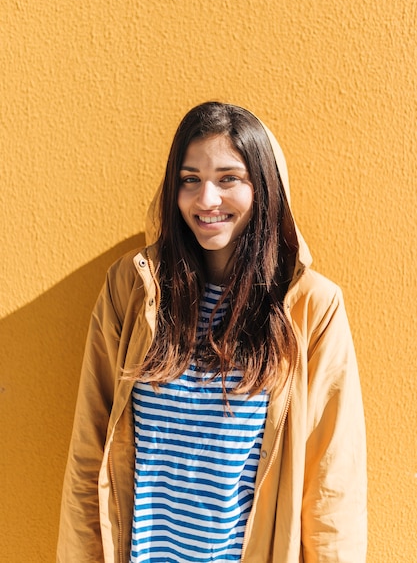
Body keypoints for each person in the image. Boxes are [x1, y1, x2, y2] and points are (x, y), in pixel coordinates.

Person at [57, 101, 367, 563]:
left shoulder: (310, 308)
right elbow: (90, 449)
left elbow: (331, 486)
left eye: (228, 178)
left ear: (263, 188)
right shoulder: (133, 289)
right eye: (190, 179)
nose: (206, 200)